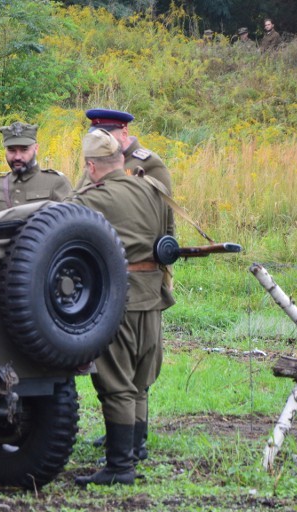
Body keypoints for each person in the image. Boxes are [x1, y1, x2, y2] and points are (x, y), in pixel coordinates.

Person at [68, 129, 175, 487]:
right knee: (140, 380)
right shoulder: (152, 188)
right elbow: (168, 237)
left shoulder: (93, 198)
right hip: (153, 294)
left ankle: (119, 466)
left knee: (115, 381)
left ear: (91, 166)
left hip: (120, 296)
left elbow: (58, 223)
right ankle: (135, 449)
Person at [0, 121, 71, 213]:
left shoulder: (55, 182)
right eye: (11, 150)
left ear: (36, 149)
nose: (17, 156)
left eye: (24, 149)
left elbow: (71, 223)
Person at [75, 108, 172, 194]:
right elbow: (77, 193)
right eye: (97, 136)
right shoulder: (97, 158)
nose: (100, 141)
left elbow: (164, 207)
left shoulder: (150, 163)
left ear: (124, 134)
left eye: (107, 135)